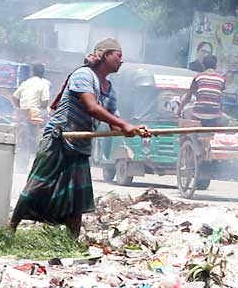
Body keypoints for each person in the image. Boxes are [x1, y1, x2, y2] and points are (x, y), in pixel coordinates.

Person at [10, 39, 151, 237]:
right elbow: (91, 107)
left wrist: (133, 129)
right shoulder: (83, 75)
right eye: (118, 55)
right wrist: (124, 125)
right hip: (58, 138)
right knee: (38, 186)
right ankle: (10, 229)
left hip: (80, 144)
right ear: (105, 55)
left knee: (77, 195)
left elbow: (114, 123)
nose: (122, 60)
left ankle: (72, 241)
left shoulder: (109, 89)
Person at [12, 63, 53, 169]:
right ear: (43, 73)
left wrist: (19, 108)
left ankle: (21, 166)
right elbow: (45, 102)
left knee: (22, 141)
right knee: (45, 132)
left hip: (23, 114)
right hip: (35, 114)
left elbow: (15, 97)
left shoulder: (25, 83)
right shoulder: (43, 84)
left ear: (32, 72)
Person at [179, 55, 228, 125]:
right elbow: (219, 98)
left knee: (186, 111)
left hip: (197, 113)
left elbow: (187, 98)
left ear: (203, 66)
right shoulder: (222, 79)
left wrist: (178, 111)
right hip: (215, 114)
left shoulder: (198, 77)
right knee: (226, 119)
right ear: (215, 66)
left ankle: (189, 134)